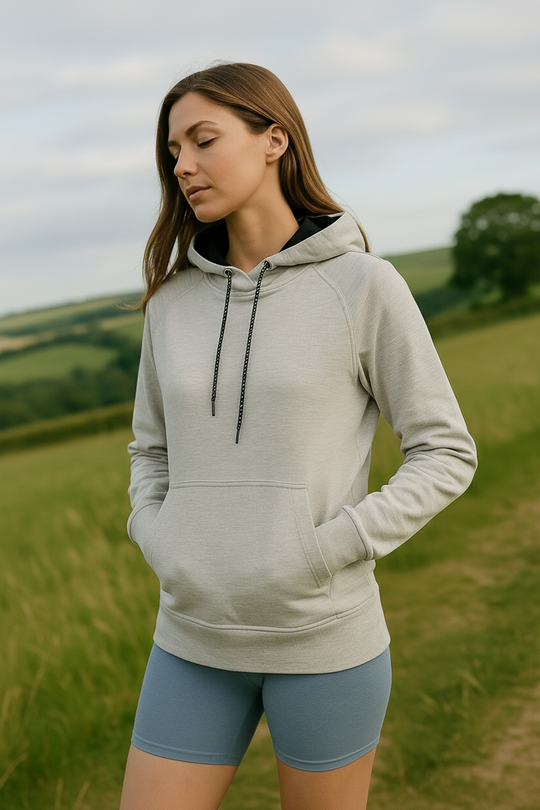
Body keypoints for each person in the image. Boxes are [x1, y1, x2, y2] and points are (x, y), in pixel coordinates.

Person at [120, 62, 477, 810]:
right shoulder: (170, 303)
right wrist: (161, 537)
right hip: (190, 638)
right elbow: (149, 451)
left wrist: (330, 547)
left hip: (323, 641)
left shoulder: (362, 287)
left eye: (203, 140)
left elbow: (445, 451)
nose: (182, 164)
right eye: (173, 150)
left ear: (274, 139)